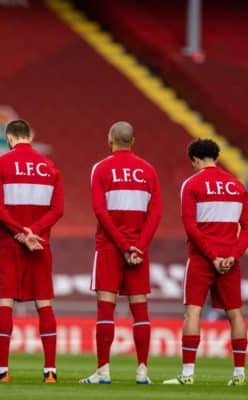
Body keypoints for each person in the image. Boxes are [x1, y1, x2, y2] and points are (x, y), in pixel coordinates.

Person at [0, 119, 64, 384]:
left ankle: (2, 370)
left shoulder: (0, 163)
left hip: (9, 244)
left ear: (8, 137)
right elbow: (57, 210)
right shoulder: (50, 167)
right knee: (45, 304)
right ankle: (50, 371)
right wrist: (33, 232)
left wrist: (20, 232)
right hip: (40, 244)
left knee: (5, 303)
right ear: (32, 135)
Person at [80, 121, 162, 384]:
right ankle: (142, 372)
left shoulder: (101, 168)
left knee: (106, 309)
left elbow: (100, 211)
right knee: (140, 310)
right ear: (133, 140)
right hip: (139, 249)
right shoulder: (148, 170)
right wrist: (139, 246)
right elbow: (156, 213)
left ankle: (103, 371)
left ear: (110, 139)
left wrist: (124, 246)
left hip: (109, 248)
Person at [164, 139, 248, 386]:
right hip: (230, 260)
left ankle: (188, 374)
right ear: (216, 157)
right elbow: (246, 227)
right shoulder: (237, 186)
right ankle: (239, 375)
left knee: (193, 311)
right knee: (236, 314)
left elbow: (191, 226)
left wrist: (213, 257)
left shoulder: (192, 184)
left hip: (202, 258)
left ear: (195, 160)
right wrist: (232, 255)